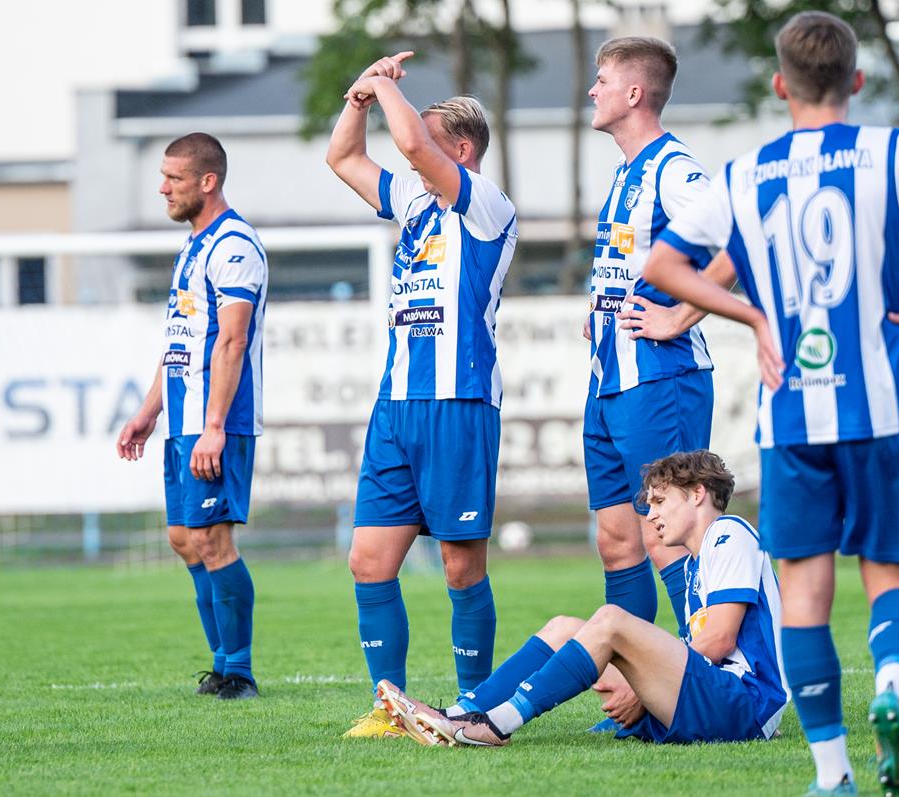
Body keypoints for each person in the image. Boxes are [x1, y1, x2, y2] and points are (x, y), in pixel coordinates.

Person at [642, 12, 899, 797]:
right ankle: (891, 690)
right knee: (892, 578)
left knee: (803, 595)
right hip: (886, 403)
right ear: (856, 80)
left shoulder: (746, 173)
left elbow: (662, 265)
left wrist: (752, 315)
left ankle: (832, 773)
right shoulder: (890, 151)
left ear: (779, 85)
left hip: (793, 412)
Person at [325, 52, 517, 738]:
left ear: (460, 151)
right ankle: (390, 706)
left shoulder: (486, 204)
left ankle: (471, 705)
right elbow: (343, 159)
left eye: (434, 143)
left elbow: (408, 142)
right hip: (397, 404)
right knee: (368, 560)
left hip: (458, 403)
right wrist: (357, 100)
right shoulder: (414, 203)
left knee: (461, 566)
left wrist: (382, 85)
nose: (415, 154)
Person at [377, 450, 786, 750]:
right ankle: (456, 714)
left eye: (660, 502)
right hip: (717, 695)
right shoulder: (698, 561)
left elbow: (718, 641)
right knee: (565, 628)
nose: (652, 516)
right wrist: (645, 686)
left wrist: (641, 692)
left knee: (611, 619)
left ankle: (495, 725)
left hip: (742, 703)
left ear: (698, 493)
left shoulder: (728, 534)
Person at [578, 37, 737, 668]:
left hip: (661, 379)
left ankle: (712, 677)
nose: (592, 90)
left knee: (669, 533)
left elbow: (734, 241)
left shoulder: (674, 167)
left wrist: (680, 315)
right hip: (609, 382)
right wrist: (599, 310)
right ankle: (639, 687)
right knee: (617, 541)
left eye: (602, 80)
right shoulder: (626, 171)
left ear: (634, 92)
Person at [117, 133, 267, 701]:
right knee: (184, 539)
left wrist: (214, 426)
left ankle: (239, 672)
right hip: (183, 421)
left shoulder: (234, 245)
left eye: (173, 178)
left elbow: (232, 341)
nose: (163, 188)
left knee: (212, 539)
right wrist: (148, 411)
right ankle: (222, 665)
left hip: (216, 422)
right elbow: (182, 341)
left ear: (208, 181)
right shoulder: (192, 247)